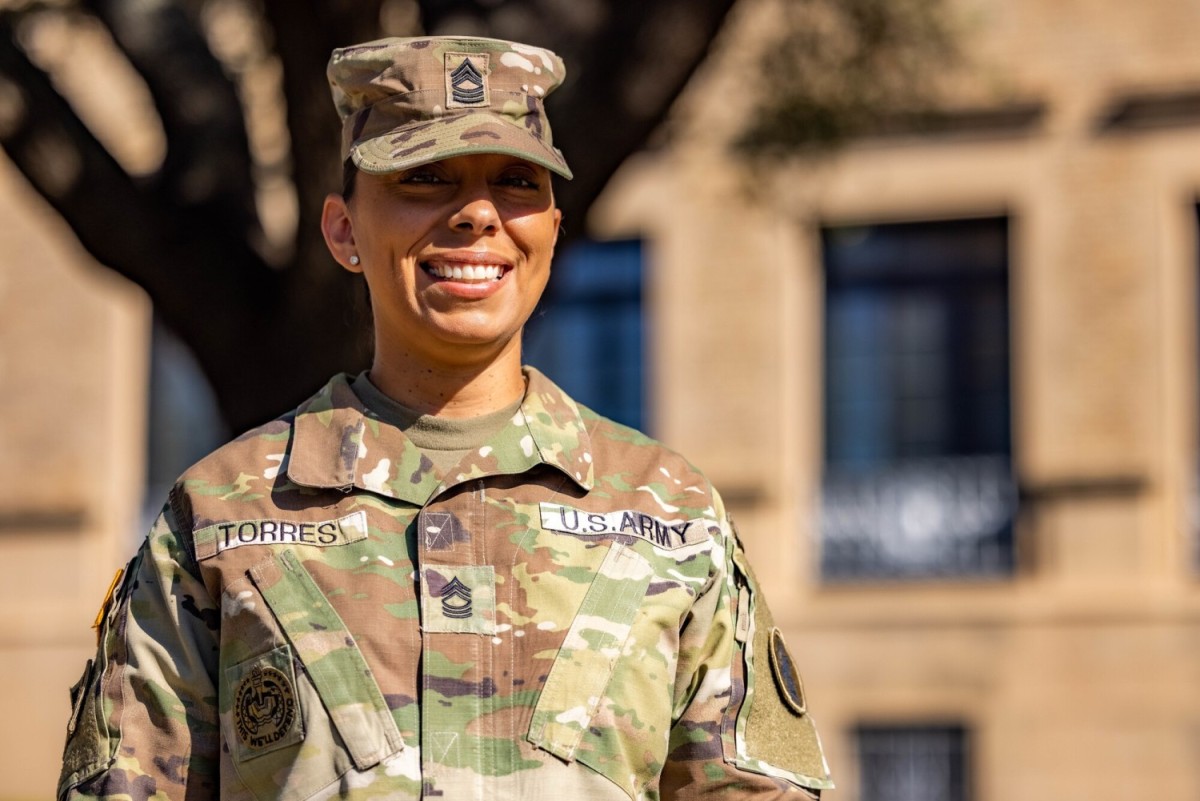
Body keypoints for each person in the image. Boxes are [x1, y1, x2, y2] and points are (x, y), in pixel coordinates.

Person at [57, 36, 832, 800]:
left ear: (553, 233)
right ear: (343, 230)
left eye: (517, 182)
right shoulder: (223, 513)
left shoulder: (669, 512)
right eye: (425, 177)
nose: (478, 214)